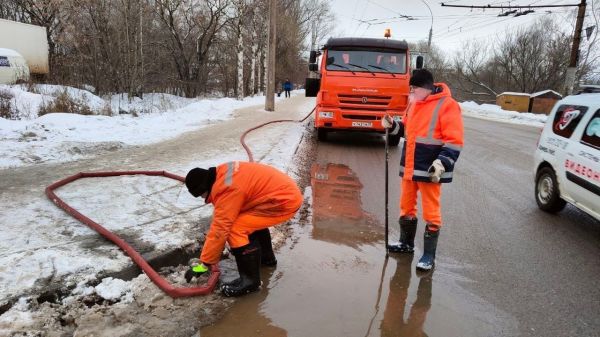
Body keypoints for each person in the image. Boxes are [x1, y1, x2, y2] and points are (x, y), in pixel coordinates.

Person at [382, 68, 464, 271]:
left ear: (426, 87)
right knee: (406, 206)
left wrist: (441, 163)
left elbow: (454, 141)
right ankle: (406, 244)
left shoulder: (447, 105)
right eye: (410, 87)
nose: (411, 91)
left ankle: (428, 255)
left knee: (431, 211)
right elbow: (406, 130)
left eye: (414, 87)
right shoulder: (414, 103)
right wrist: (392, 125)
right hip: (409, 167)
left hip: (430, 170)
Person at [183, 161, 303, 296]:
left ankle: (250, 282)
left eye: (201, 195)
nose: (203, 198)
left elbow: (220, 229)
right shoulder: (222, 173)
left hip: (283, 201)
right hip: (283, 193)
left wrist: (204, 265)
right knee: (248, 221)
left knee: (236, 228)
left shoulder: (226, 189)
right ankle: (267, 259)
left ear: (204, 188)